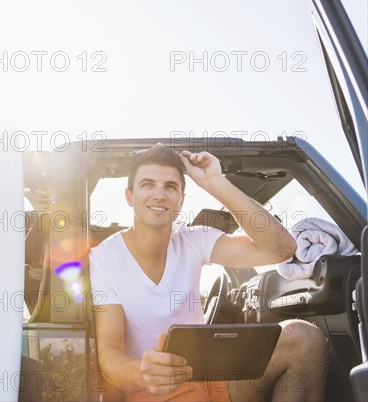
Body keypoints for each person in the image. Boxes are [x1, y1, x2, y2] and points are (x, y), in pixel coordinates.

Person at [89, 144, 326, 402]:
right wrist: (142, 373)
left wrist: (216, 182)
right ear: (129, 197)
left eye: (170, 186)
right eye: (148, 184)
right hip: (155, 391)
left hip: (211, 378)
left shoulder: (194, 240)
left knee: (304, 339)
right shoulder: (104, 259)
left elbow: (281, 248)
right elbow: (110, 357)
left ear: (181, 200)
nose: (159, 194)